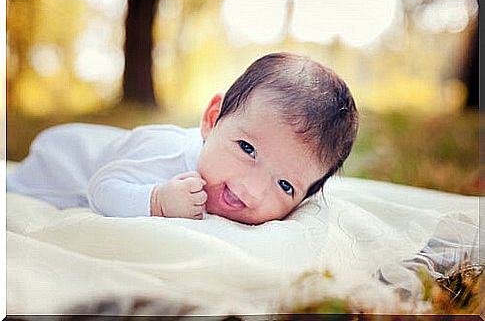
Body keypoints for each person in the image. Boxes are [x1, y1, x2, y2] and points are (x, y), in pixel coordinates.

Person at [7, 52, 359, 225]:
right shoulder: (166, 150)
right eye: (247, 149)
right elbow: (102, 188)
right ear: (211, 120)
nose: (252, 190)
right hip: (58, 167)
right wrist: (157, 200)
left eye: (285, 185)